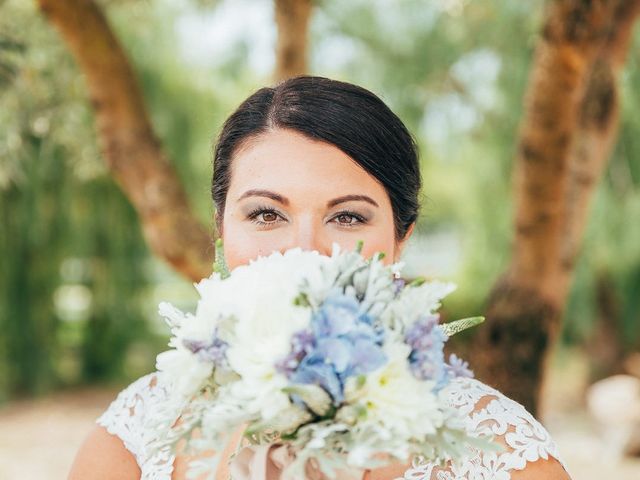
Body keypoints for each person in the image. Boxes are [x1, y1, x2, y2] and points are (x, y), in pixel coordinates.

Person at [68, 76, 571, 479]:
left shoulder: (499, 454)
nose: (304, 250)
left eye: (348, 217)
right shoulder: (137, 435)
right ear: (220, 228)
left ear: (400, 241)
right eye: (266, 214)